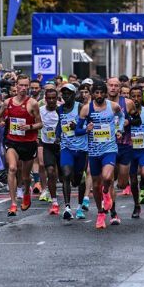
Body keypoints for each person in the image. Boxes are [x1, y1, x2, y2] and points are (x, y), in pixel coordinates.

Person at [0, 75, 43, 217]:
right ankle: (13, 203)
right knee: (13, 168)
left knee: (26, 177)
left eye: (26, 86)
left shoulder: (32, 103)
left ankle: (27, 192)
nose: (24, 88)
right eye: (21, 85)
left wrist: (29, 126)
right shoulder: (7, 102)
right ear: (16, 85)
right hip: (12, 141)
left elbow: (40, 123)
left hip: (28, 143)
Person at [76, 82, 123, 229]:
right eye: (96, 93)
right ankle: (101, 213)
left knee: (108, 177)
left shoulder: (113, 106)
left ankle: (106, 193)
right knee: (95, 185)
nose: (99, 95)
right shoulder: (86, 109)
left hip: (109, 147)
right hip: (94, 150)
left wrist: (119, 129)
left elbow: (121, 117)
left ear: (106, 93)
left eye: (102, 92)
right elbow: (77, 130)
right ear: (92, 94)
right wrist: (86, 129)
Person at [56, 83, 88, 220]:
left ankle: (80, 207)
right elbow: (60, 124)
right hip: (66, 147)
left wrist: (78, 126)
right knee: (66, 174)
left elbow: (89, 126)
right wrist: (57, 135)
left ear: (74, 95)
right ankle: (67, 207)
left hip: (81, 148)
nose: (66, 96)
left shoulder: (80, 107)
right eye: (64, 94)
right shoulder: (60, 109)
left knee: (79, 179)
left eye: (69, 93)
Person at [127, 85, 144, 219]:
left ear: (142, 97)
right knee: (132, 181)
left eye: (138, 96)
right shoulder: (125, 112)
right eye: (133, 96)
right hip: (130, 151)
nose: (136, 99)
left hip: (143, 149)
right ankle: (136, 205)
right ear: (129, 98)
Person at [38, 87, 61, 216]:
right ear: (45, 99)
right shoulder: (40, 111)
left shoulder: (61, 110)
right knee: (50, 171)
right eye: (49, 98)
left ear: (57, 99)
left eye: (54, 98)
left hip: (62, 146)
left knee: (65, 176)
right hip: (47, 145)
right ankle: (55, 202)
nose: (51, 100)